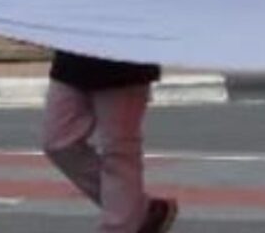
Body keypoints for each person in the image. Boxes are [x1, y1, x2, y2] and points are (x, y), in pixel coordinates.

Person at [42, 50, 179, 233]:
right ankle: (138, 211)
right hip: (73, 57)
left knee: (119, 151)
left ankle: (121, 225)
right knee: (57, 142)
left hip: (124, 61)